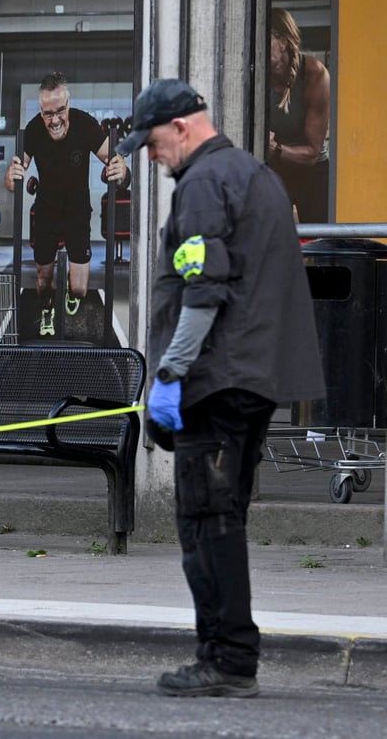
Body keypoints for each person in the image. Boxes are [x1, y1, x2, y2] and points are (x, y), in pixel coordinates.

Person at [117, 79, 324, 698]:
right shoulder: (258, 176)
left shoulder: (204, 183)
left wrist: (169, 377)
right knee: (222, 518)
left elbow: (203, 291)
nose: (152, 157)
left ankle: (229, 659)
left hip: (215, 383)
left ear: (181, 127)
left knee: (206, 522)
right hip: (252, 382)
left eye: (153, 143)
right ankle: (227, 655)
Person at [4, 72, 129, 337]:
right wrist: (12, 176)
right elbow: (14, 176)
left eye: (60, 111)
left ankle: (71, 294)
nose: (55, 120)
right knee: (43, 279)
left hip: (77, 211)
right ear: (41, 110)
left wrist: (122, 170)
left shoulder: (85, 124)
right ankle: (46, 308)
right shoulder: (34, 130)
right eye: (48, 113)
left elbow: (116, 163)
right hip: (46, 211)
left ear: (68, 105)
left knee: (81, 288)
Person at [268, 7, 331, 223]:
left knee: (319, 239)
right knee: (272, 236)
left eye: (264, 40)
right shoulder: (256, 73)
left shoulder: (315, 75)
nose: (257, 48)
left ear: (282, 43)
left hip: (312, 172)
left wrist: (275, 149)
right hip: (275, 169)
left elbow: (312, 153)